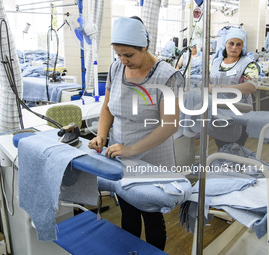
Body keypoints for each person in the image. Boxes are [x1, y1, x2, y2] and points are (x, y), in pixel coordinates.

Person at [88, 16, 184, 250]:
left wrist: (132, 149)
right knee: (128, 211)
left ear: (144, 46)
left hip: (152, 158)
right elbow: (107, 108)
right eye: (118, 54)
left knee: (151, 215)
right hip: (119, 154)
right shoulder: (116, 68)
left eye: (128, 55)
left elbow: (170, 125)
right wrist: (101, 135)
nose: (122, 60)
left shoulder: (168, 77)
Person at [207, 28, 259, 149]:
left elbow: (251, 86)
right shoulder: (215, 62)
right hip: (218, 113)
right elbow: (203, 82)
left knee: (235, 149)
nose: (234, 47)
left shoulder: (249, 64)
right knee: (220, 145)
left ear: (242, 46)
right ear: (225, 44)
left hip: (238, 113)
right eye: (231, 43)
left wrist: (229, 88)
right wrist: (209, 87)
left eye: (238, 44)